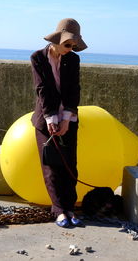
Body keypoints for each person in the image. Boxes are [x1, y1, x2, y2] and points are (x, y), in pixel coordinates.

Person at [30, 18, 87, 228]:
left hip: (69, 118)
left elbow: (74, 90)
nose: (71, 49)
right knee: (51, 167)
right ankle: (59, 210)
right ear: (57, 40)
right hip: (45, 119)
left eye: (74, 46)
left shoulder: (73, 60)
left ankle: (69, 207)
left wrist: (66, 118)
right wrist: (52, 118)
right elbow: (42, 89)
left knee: (70, 165)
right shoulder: (37, 58)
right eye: (68, 45)